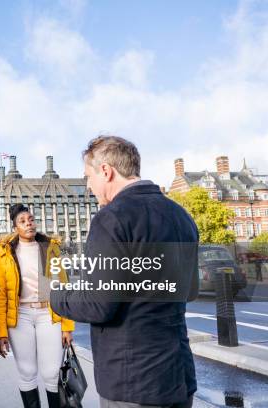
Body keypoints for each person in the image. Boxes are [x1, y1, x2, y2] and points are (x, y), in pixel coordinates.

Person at [50, 135, 199, 408]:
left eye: (88, 176)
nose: (88, 185)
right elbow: (190, 290)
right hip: (179, 375)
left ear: (106, 171)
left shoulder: (111, 218)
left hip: (133, 381)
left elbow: (98, 304)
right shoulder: (181, 215)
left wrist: (56, 296)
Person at [0, 203, 75, 408]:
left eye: (30, 219)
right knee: (27, 372)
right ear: (15, 228)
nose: (28, 223)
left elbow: (63, 286)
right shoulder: (5, 254)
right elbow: (1, 295)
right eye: (22, 221)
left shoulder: (50, 248)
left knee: (51, 371)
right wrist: (0, 332)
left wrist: (67, 326)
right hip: (20, 315)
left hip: (49, 313)